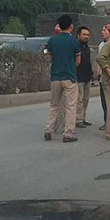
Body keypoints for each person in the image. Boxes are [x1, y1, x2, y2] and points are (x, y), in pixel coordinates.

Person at [44, 14, 81, 143]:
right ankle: (68, 133)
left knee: (54, 105)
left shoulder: (52, 41)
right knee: (70, 106)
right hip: (69, 77)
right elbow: (78, 61)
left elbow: (49, 58)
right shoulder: (74, 42)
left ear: (59, 26)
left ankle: (48, 130)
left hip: (55, 77)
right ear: (71, 26)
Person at [76, 26, 94, 128]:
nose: (86, 36)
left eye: (87, 35)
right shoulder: (76, 46)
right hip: (78, 77)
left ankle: (83, 118)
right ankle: (78, 120)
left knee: (85, 99)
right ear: (79, 35)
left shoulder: (87, 47)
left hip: (87, 76)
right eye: (84, 35)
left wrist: (91, 74)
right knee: (79, 100)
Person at [96, 23, 110, 130]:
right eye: (102, 30)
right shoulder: (101, 45)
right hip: (103, 77)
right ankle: (106, 121)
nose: (103, 32)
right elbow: (99, 60)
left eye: (105, 30)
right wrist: (98, 71)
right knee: (104, 101)